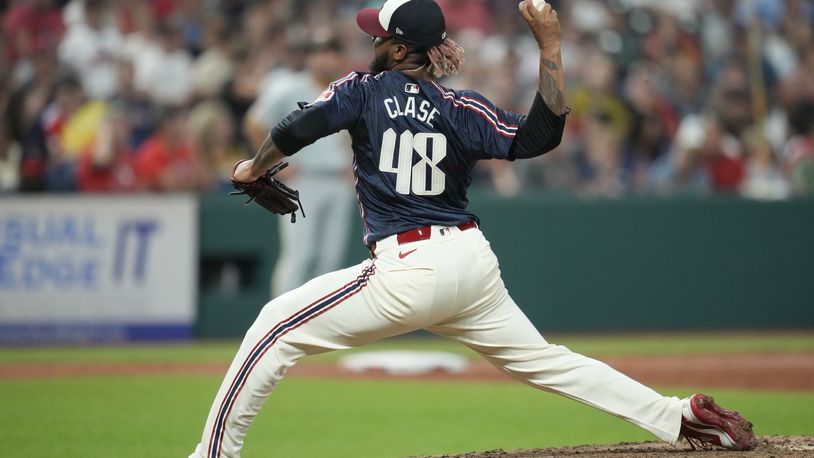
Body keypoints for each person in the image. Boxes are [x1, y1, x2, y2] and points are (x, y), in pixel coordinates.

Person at [189, 2, 757, 457]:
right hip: (471, 264)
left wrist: (250, 168)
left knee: (272, 326)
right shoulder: (461, 107)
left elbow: (297, 125)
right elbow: (540, 137)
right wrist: (550, 45)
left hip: (408, 268)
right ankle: (680, 417)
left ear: (400, 48)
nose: (372, 43)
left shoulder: (362, 89)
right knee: (547, 361)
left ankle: (212, 455)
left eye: (380, 36)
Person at [243, 34, 355, 298]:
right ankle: (279, 323)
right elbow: (253, 123)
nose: (325, 57)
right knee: (299, 255)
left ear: (340, 57)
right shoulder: (289, 87)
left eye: (331, 51)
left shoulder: (348, 90)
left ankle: (319, 322)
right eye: (319, 51)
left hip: (339, 180)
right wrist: (278, 163)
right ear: (309, 57)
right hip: (303, 179)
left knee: (331, 259)